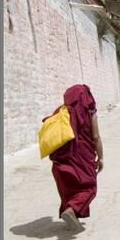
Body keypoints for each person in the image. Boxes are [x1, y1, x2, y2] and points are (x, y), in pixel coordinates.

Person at [45, 84, 104, 231]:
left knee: (68, 189)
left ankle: (72, 218)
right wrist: (101, 158)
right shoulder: (89, 110)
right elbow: (96, 137)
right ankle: (71, 210)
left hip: (60, 160)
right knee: (89, 188)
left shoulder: (60, 111)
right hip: (82, 157)